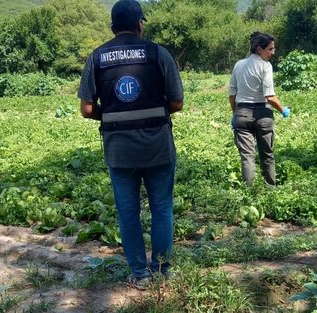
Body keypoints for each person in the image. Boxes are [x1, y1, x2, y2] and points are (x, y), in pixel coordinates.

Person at [77, 0, 184, 290]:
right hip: (158, 147)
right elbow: (177, 102)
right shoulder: (158, 53)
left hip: (119, 151)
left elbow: (87, 109)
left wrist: (112, 114)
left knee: (127, 212)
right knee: (162, 208)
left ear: (112, 27)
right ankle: (161, 270)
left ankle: (140, 274)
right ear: (140, 24)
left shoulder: (96, 58)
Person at [229, 32, 290, 186]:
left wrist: (235, 113)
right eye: (270, 49)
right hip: (263, 114)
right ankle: (271, 188)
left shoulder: (238, 65)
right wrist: (283, 110)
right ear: (259, 49)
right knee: (267, 155)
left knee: (247, 157)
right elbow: (269, 96)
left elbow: (232, 94)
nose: (273, 53)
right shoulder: (265, 66)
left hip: (242, 114)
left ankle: (249, 194)